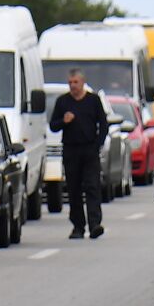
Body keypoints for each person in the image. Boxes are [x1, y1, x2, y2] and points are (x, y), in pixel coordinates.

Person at [47, 69, 107, 239]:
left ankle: (95, 224)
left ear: (82, 83)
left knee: (92, 187)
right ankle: (78, 226)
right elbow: (53, 125)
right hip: (71, 150)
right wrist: (63, 121)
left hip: (89, 150)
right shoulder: (63, 102)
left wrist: (98, 144)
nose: (73, 86)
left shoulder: (93, 100)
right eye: (70, 83)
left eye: (76, 82)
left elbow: (103, 124)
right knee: (74, 189)